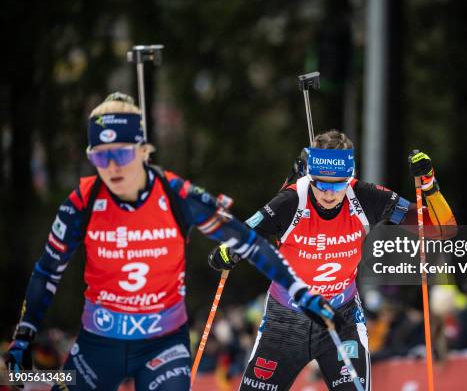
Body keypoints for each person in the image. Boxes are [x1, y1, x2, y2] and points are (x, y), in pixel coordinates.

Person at [3, 92, 334, 391]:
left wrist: (300, 291)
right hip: (100, 343)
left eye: (121, 153)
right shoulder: (82, 203)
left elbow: (250, 243)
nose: (113, 167)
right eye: (102, 157)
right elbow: (48, 270)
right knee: (27, 379)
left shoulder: (178, 195)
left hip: (162, 345)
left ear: (143, 150)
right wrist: (23, 336)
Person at [209, 129, 456, 390]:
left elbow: (442, 229)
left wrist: (428, 184)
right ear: (309, 177)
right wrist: (227, 252)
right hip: (287, 320)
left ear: (350, 177)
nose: (329, 194)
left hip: (342, 318)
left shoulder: (365, 197)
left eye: (338, 184)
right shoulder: (292, 200)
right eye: (321, 184)